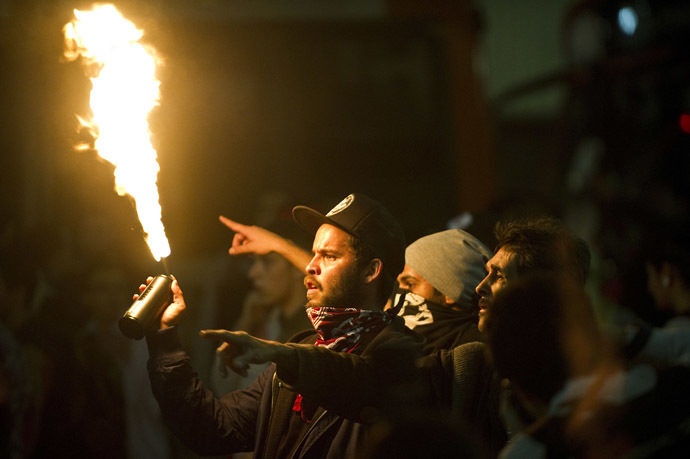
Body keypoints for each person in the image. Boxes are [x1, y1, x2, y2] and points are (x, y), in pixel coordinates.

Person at [140, 193, 426, 457]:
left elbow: (360, 380)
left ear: (371, 271)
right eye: (313, 253)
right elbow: (213, 428)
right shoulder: (299, 353)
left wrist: (282, 355)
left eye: (329, 256)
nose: (310, 266)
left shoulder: (405, 357)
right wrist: (165, 340)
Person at [393, 229, 491, 352]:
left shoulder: (478, 358)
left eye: (410, 284)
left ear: (451, 292)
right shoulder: (393, 344)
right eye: (399, 284)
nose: (400, 291)